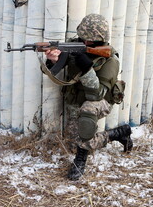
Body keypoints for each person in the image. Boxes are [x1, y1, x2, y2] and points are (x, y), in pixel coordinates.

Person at [43, 14, 133, 180]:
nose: (83, 42)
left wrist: (86, 68)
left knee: (87, 114)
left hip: (101, 100)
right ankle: (118, 134)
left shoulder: (110, 60)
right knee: (73, 143)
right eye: (82, 38)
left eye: (88, 41)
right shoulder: (74, 44)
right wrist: (53, 61)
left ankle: (80, 160)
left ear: (99, 40)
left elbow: (98, 93)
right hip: (77, 98)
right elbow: (52, 71)